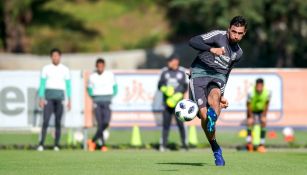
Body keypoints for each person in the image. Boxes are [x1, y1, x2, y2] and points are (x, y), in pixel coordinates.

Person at [188, 16, 247, 166]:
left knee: (214, 99)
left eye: (240, 33)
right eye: (234, 32)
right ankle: (215, 146)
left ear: (244, 33)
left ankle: (213, 118)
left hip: (218, 76)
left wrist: (222, 95)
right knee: (203, 116)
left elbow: (227, 73)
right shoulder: (218, 36)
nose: (236, 36)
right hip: (199, 72)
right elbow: (193, 41)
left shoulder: (238, 53)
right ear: (229, 29)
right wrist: (210, 49)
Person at [37, 48, 71, 151]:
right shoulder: (46, 68)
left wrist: (69, 100)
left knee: (58, 122)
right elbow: (42, 84)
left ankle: (56, 144)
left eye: (57, 56)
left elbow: (68, 86)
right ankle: (41, 144)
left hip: (60, 98)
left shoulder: (65, 69)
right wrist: (41, 98)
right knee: (46, 121)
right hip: (49, 98)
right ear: (51, 57)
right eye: (53, 56)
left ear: (60, 57)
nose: (55, 57)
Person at [158, 55, 188, 152]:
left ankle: (184, 145)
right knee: (166, 125)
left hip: (179, 104)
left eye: (172, 61)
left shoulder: (182, 71)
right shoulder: (164, 72)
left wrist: (178, 95)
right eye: (169, 62)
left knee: (181, 124)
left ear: (177, 61)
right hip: (167, 103)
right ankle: (163, 145)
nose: (170, 63)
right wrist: (165, 89)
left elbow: (185, 86)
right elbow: (159, 85)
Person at [87, 58, 118, 152]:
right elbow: (89, 88)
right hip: (97, 101)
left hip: (107, 100)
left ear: (104, 66)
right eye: (98, 66)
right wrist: (93, 96)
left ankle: (92, 140)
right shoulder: (92, 76)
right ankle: (103, 145)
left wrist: (112, 95)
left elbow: (115, 87)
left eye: (102, 66)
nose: (100, 68)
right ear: (96, 66)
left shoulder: (109, 75)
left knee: (106, 122)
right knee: (100, 124)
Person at [246, 78, 271, 153]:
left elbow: (266, 104)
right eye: (258, 86)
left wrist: (264, 116)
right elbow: (248, 105)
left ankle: (261, 144)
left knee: (264, 122)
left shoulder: (267, 93)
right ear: (256, 86)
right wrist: (250, 116)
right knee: (250, 122)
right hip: (252, 110)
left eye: (260, 86)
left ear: (263, 86)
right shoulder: (251, 92)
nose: (259, 88)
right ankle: (249, 144)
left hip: (261, 111)